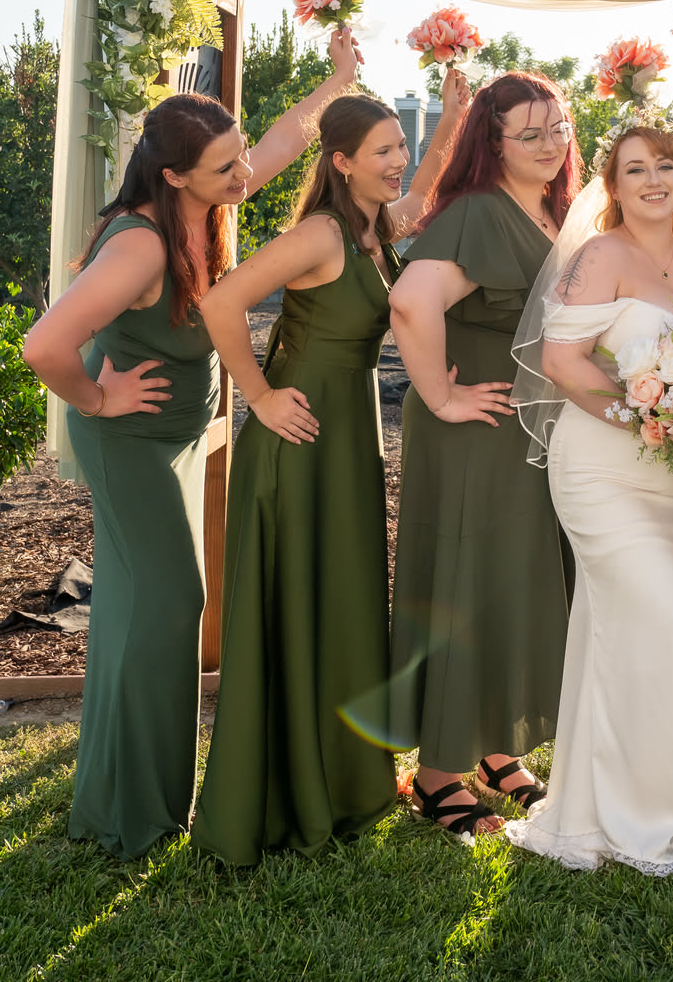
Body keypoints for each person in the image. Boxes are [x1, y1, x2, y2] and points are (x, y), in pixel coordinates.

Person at [20, 31, 362, 860]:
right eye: (225, 167)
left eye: (238, 155)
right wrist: (99, 396)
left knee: (136, 606)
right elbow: (44, 345)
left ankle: (114, 791)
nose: (244, 174)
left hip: (172, 439)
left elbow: (283, 142)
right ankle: (137, 811)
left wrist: (338, 81)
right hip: (129, 442)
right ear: (174, 175)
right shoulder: (141, 243)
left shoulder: (205, 202)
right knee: (172, 603)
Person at [192, 75, 469, 863]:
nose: (398, 160)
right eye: (382, 151)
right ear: (341, 161)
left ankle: (346, 784)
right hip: (300, 442)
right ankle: (287, 793)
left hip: (351, 439)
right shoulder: (321, 234)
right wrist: (258, 396)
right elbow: (221, 302)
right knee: (300, 606)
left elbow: (426, 189)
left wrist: (451, 118)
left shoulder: (380, 227)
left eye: (400, 145)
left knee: (341, 603)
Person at [500, 122, 673, 875]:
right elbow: (561, 361)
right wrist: (647, 417)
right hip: (602, 467)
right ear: (613, 184)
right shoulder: (600, 255)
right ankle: (642, 821)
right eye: (635, 169)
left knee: (625, 630)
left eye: (665, 166)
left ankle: (603, 813)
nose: (652, 181)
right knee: (665, 622)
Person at [384, 72, 580, 841]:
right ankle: (439, 774)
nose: (550, 144)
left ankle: (498, 755)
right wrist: (438, 395)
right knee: (467, 585)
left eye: (558, 127)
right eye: (529, 134)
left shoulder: (555, 210)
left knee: (511, 582)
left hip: (524, 429)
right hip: (476, 427)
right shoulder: (476, 213)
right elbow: (411, 301)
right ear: (491, 143)